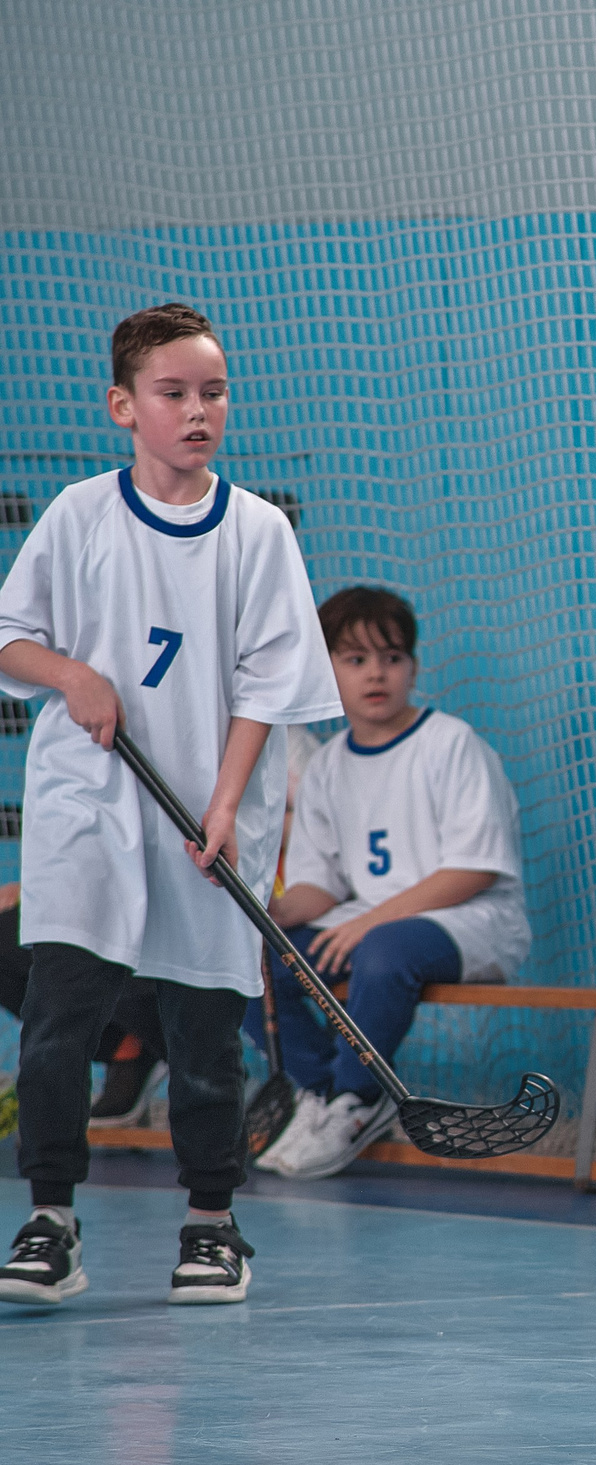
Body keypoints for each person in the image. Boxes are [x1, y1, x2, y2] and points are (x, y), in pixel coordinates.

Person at [0, 301, 339, 1308]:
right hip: (87, 806)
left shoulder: (259, 533)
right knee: (59, 1018)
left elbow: (267, 690)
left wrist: (228, 806)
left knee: (201, 1024)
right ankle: (50, 1219)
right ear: (123, 406)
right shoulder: (76, 516)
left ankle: (211, 1225)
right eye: (174, 394)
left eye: (214, 393)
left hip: (209, 814)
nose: (199, 412)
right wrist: (71, 674)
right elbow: (9, 641)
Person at [253, 586, 530, 1179]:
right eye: (355, 660)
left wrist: (368, 921)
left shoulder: (449, 743)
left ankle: (363, 1098)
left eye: (392, 658)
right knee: (249, 959)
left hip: (468, 921)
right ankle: (319, 1092)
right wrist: (263, 920)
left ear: (412, 667)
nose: (376, 674)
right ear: (326, 670)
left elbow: (474, 869)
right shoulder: (327, 766)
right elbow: (318, 889)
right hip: (363, 922)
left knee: (383, 952)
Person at [0, 882, 169, 1125]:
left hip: (129, 891)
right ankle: (123, 1048)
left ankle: (193, 1055)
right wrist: (34, 887)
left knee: (90, 938)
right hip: (72, 889)